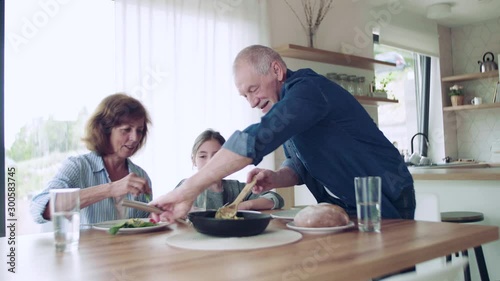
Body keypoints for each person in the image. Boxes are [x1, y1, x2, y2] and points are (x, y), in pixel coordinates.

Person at [150, 45, 415, 223]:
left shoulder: (308, 91)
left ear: (277, 71)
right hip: (347, 205)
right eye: (245, 96)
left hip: (385, 195)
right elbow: (300, 165)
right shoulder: (283, 106)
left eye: (253, 90)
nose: (252, 102)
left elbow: (254, 139)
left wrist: (187, 189)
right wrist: (276, 177)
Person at [30, 93, 153, 227]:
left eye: (139, 131)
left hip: (129, 248)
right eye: (126, 129)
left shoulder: (140, 176)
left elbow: (143, 227)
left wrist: (158, 215)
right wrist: (110, 189)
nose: (135, 138)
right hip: (86, 248)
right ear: (105, 130)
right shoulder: (78, 167)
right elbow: (39, 209)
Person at [181, 129, 284, 211]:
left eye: (216, 157)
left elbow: (275, 199)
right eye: (203, 156)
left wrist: (246, 205)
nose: (209, 162)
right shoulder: (185, 186)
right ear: (193, 160)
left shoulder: (236, 188)